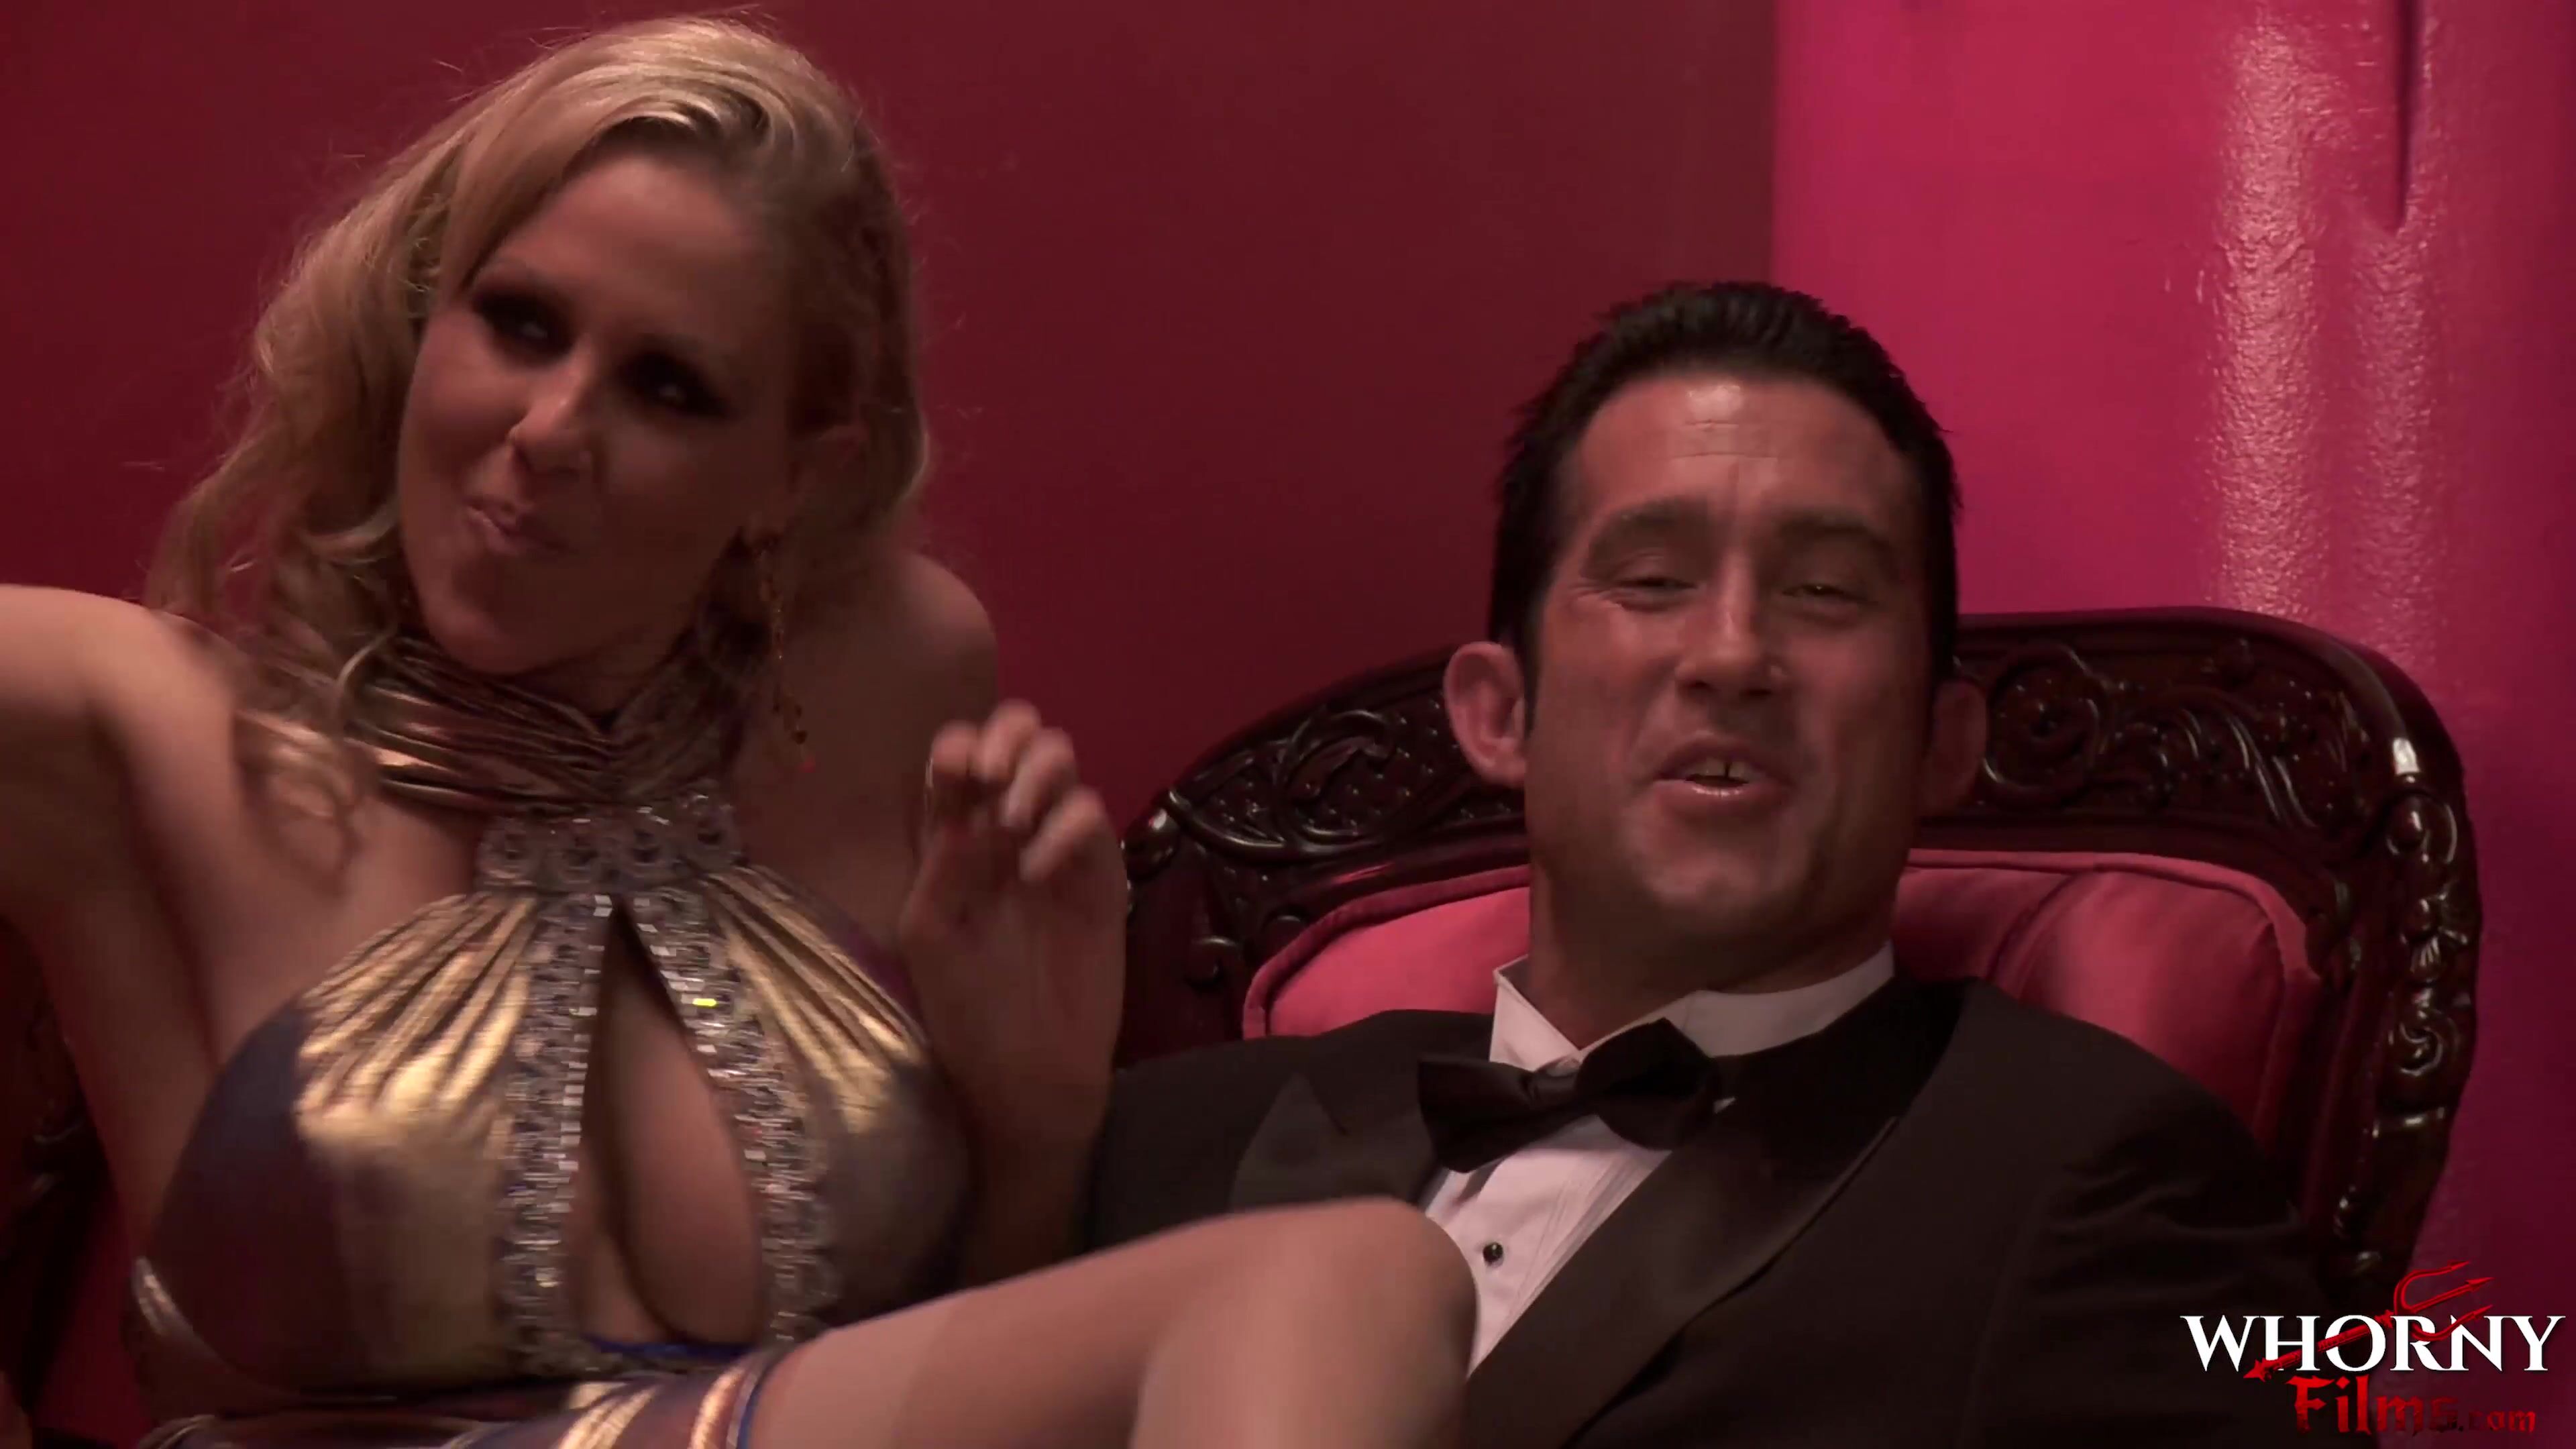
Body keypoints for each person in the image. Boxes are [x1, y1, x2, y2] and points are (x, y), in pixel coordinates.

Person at [0, 18, 1471, 1449]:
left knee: (1359, 1280)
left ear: (792, 475)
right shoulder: (134, 728)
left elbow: (978, 1353)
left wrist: (1033, 1119)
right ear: (423, 316)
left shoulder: (887, 685)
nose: (549, 430)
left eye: (669, 388)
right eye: (519, 322)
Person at [1087, 283, 2331, 1446]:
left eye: (1825, 590)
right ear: (1501, 717)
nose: (1733, 654)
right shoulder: (1175, 1131)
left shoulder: (2099, 1180)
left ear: (1943, 745)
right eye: (1653, 580)